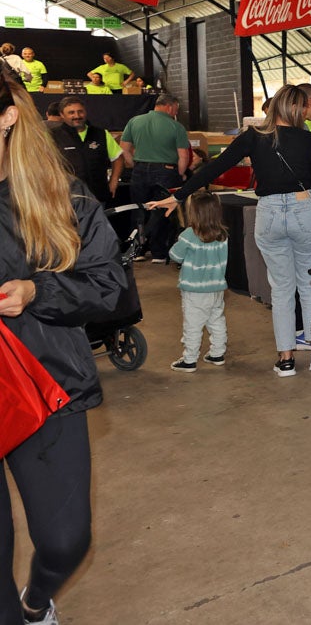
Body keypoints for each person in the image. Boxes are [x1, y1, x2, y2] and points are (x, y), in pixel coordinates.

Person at [0, 67, 125, 625]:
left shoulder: (59, 195)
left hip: (44, 381)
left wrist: (36, 290)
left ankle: (36, 600)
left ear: (7, 117)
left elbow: (112, 287)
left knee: (67, 539)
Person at [147, 85, 311, 377]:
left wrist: (179, 195)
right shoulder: (310, 139)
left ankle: (286, 359)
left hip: (268, 214)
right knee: (310, 285)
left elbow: (213, 169)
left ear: (275, 106)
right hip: (304, 211)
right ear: (299, 109)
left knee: (281, 289)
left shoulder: (253, 137)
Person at [119, 94, 190, 264]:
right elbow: (183, 155)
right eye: (176, 109)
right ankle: (158, 252)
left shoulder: (134, 121)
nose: (176, 112)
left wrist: (135, 165)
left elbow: (124, 149)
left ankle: (137, 251)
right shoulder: (176, 126)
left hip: (140, 170)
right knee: (163, 210)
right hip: (166, 171)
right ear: (170, 107)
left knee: (139, 210)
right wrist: (180, 174)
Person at [167, 192, 230, 372]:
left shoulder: (189, 235)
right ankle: (217, 353)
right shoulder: (222, 235)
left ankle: (189, 359)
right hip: (216, 287)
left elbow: (175, 255)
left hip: (194, 290)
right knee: (216, 320)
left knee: (192, 325)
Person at [51, 97, 124, 205]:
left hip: (97, 196)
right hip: (66, 198)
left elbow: (118, 158)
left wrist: (114, 181)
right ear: (62, 115)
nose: (77, 116)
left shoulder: (101, 134)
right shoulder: (53, 136)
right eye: (71, 112)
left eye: (80, 111)